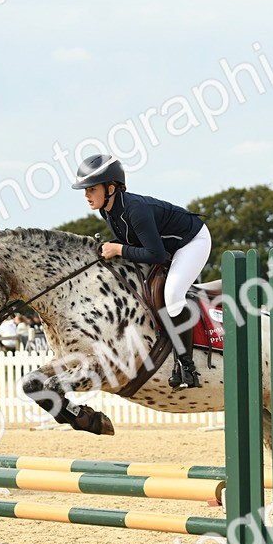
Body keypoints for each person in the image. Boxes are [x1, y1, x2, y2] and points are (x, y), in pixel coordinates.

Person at [71, 153, 211, 390]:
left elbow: (154, 254)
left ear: (111, 188)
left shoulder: (136, 210)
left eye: (91, 188)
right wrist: (112, 247)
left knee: (173, 296)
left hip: (192, 242)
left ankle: (187, 367)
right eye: (85, 190)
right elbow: (130, 241)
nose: (86, 195)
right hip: (165, 246)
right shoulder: (107, 210)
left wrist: (117, 248)